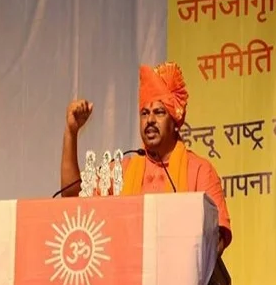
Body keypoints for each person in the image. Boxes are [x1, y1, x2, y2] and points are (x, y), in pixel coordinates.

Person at [60, 62, 232, 254]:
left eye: (159, 112)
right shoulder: (122, 171)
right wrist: (71, 132)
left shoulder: (200, 170)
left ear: (175, 122)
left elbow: (216, 238)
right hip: (126, 278)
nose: (150, 120)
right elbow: (72, 196)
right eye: (144, 113)